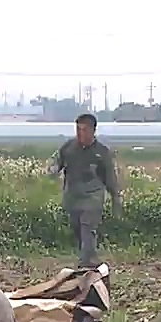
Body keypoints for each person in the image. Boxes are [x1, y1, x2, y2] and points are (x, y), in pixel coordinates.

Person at [52, 113, 121, 270]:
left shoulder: (102, 152)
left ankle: (85, 262)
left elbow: (110, 178)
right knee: (77, 227)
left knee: (87, 226)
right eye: (78, 129)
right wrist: (53, 169)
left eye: (84, 130)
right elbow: (57, 162)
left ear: (93, 130)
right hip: (73, 196)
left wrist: (116, 199)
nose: (80, 133)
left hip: (93, 197)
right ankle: (89, 256)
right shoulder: (68, 147)